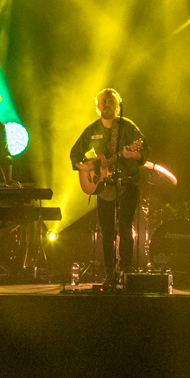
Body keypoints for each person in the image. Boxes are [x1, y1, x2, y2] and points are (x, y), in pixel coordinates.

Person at [68, 88, 147, 283]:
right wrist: (83, 166)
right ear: (97, 105)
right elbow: (75, 153)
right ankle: (109, 272)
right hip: (104, 187)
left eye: (111, 101)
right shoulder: (93, 129)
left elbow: (145, 150)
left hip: (127, 184)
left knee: (125, 227)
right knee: (106, 231)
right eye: (103, 101)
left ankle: (126, 269)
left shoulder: (127, 127)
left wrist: (132, 154)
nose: (106, 104)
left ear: (117, 105)